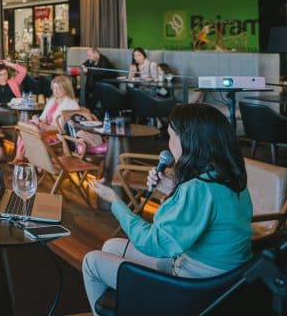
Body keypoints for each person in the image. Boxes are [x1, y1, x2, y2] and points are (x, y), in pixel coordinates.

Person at [83, 103, 253, 315]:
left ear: (189, 141)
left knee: (91, 261)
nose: (169, 143)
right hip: (223, 279)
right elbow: (199, 217)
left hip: (194, 287)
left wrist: (115, 201)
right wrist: (174, 191)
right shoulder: (230, 178)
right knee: (111, 246)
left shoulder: (197, 189)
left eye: (171, 136)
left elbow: (153, 242)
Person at [13, 76, 80, 161]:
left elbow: (68, 127)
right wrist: (37, 119)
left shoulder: (71, 104)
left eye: (59, 88)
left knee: (33, 137)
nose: (56, 91)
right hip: (44, 130)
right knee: (25, 129)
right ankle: (20, 157)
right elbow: (44, 118)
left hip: (57, 134)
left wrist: (47, 127)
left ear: (66, 89)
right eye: (54, 88)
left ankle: (34, 163)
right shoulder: (52, 100)